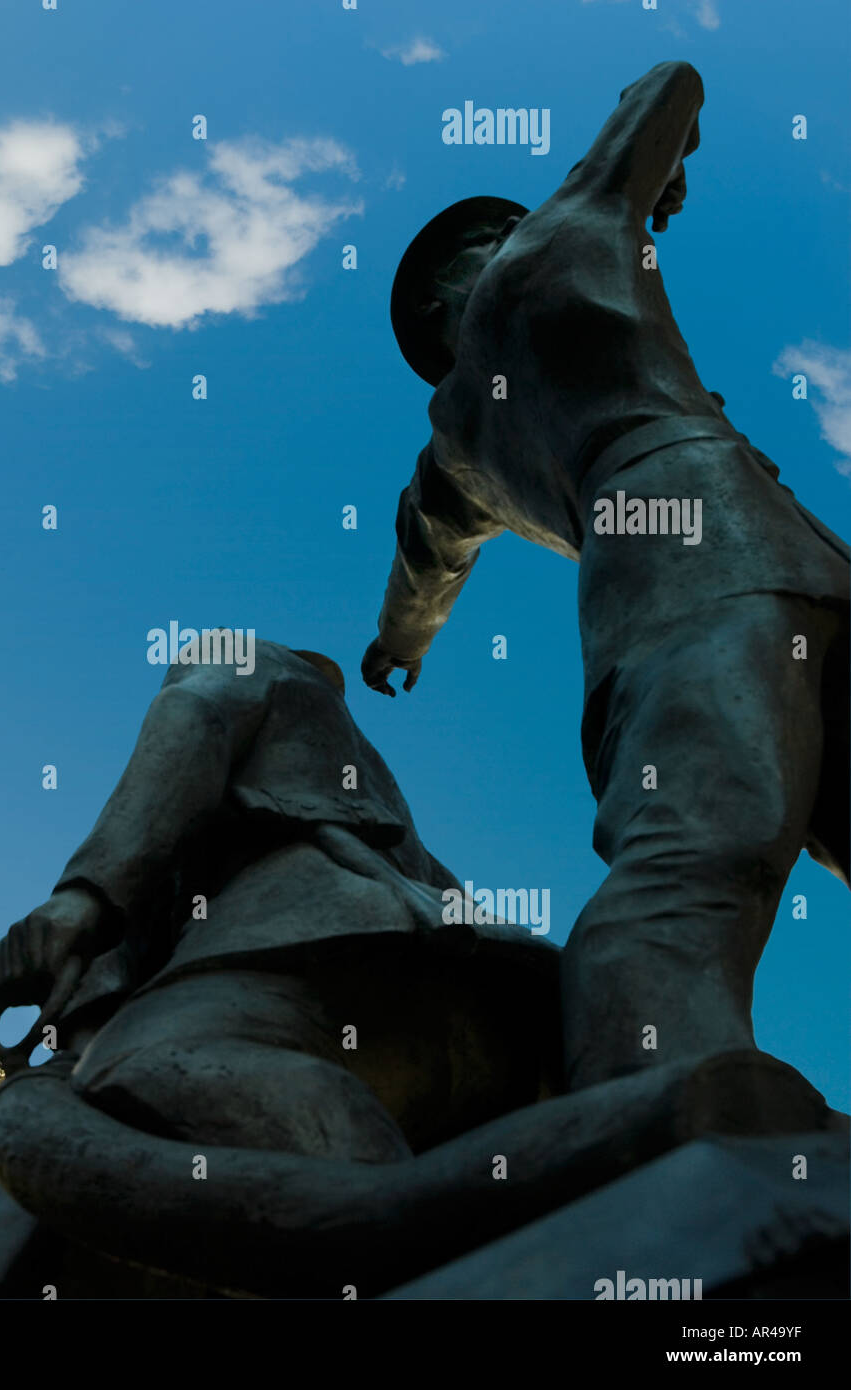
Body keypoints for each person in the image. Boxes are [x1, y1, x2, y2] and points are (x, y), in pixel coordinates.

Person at [362, 60, 849, 1090]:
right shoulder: (561, 235)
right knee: (692, 860)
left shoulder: (453, 442)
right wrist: (654, 173)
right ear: (483, 251)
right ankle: (644, 1125)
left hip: (675, 593)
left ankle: (649, 1106)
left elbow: (425, 564)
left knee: (700, 855)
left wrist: (397, 647)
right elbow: (669, 81)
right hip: (756, 562)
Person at [0, 638, 561, 1163]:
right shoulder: (369, 788)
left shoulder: (241, 666)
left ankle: (380, 1207)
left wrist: (77, 901)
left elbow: (193, 718)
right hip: (493, 1018)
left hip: (332, 962)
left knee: (127, 1073)